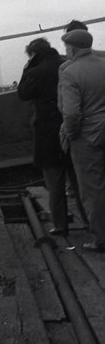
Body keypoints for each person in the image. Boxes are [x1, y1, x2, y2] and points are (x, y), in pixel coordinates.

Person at [17, 37, 71, 235]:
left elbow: (23, 93)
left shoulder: (36, 72)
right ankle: (94, 224)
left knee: (54, 182)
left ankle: (61, 225)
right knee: (80, 182)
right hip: (74, 128)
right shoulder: (67, 64)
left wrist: (27, 68)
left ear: (33, 54)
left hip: (48, 132)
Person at [58, 29, 105, 251]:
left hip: (87, 136)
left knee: (92, 189)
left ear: (73, 48)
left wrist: (71, 134)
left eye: (67, 48)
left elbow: (71, 113)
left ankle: (101, 238)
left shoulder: (70, 72)